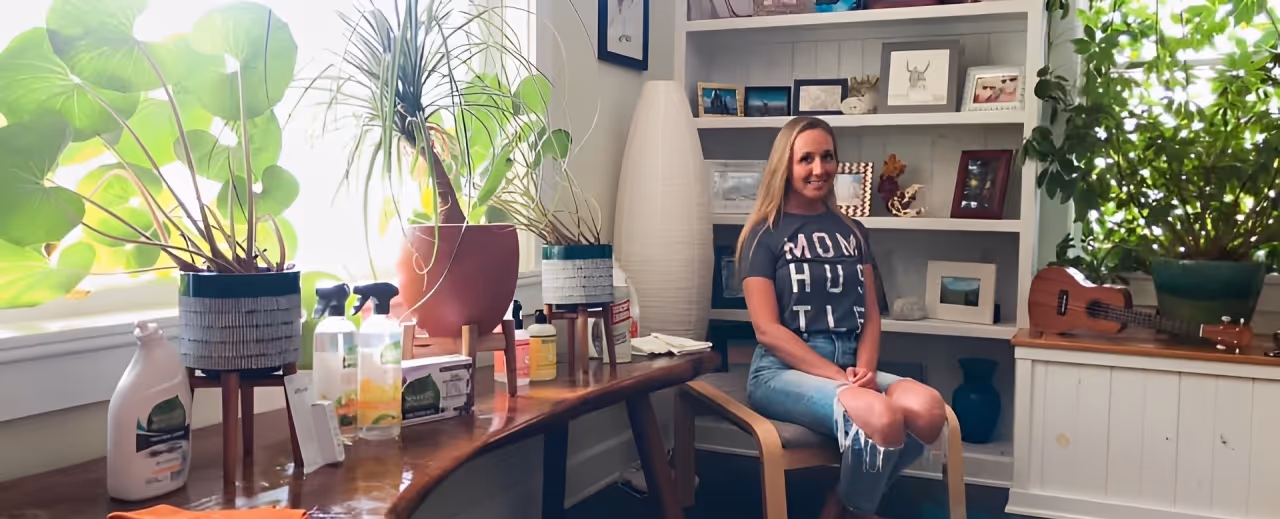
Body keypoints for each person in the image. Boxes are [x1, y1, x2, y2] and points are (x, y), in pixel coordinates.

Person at [735, 116, 947, 519]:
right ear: (786, 166)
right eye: (806, 159)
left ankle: (844, 502)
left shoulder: (853, 230)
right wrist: (839, 377)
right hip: (781, 371)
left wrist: (864, 370)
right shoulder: (764, 234)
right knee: (881, 415)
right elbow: (768, 331)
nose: (819, 169)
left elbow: (870, 314)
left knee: (928, 410)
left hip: (850, 363)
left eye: (827, 156)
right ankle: (855, 512)